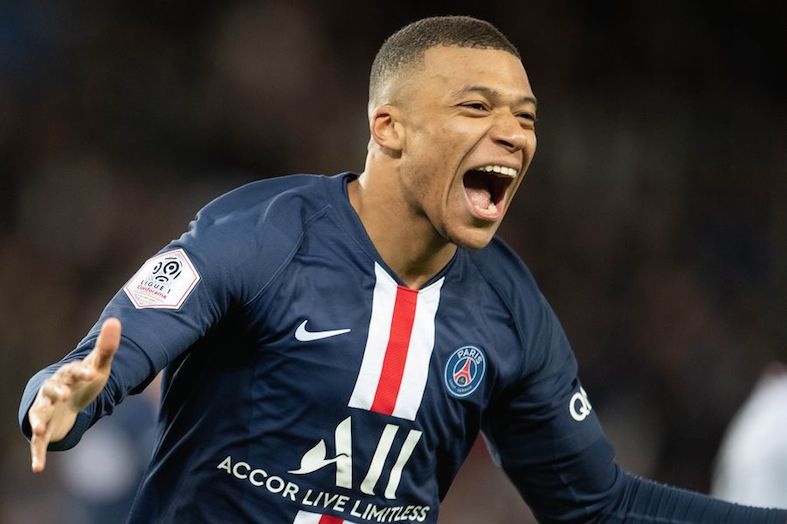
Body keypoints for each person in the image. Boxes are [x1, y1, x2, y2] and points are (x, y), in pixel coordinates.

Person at [18, 15, 787, 524]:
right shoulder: (262, 235)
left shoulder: (508, 310)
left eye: (525, 118)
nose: (512, 135)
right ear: (388, 128)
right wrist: (62, 400)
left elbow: (598, 506)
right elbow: (100, 362)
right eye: (476, 108)